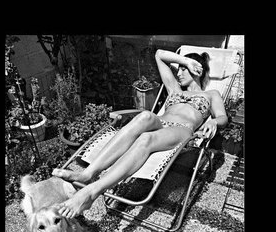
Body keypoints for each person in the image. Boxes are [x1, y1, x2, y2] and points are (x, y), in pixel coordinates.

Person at [53, 48, 228, 218]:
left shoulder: (211, 94)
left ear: (197, 71)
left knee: (146, 138)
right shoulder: (174, 89)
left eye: (183, 69)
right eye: (179, 68)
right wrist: (185, 61)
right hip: (161, 122)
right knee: (145, 116)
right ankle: (87, 174)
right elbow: (159, 55)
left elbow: (223, 117)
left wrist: (213, 121)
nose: (179, 73)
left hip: (181, 130)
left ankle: (92, 191)